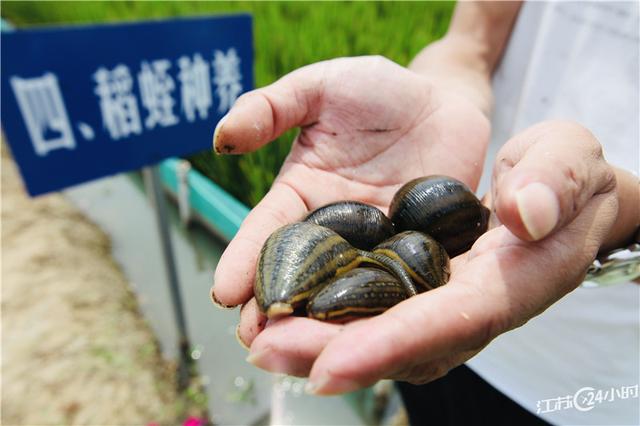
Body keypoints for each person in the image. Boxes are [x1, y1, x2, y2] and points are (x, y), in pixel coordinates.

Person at [210, 1, 639, 424]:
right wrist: (441, 95)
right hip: (455, 289)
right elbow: (470, 43)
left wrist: (619, 214)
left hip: (595, 389)